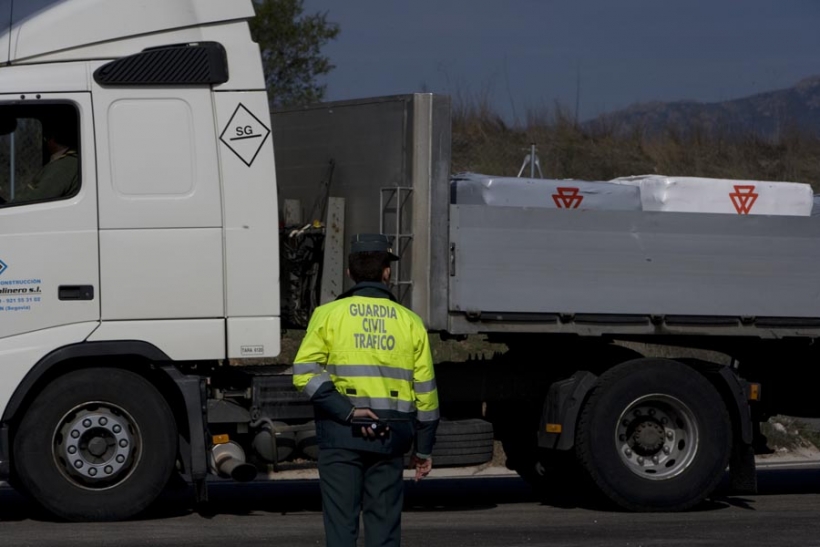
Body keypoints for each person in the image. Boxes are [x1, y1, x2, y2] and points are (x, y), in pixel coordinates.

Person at [293, 233, 440, 547]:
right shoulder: (411, 322)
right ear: (387, 271)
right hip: (391, 436)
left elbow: (305, 373)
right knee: (384, 530)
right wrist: (423, 449)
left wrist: (347, 411)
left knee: (341, 527)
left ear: (350, 272)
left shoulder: (328, 315)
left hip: (341, 433)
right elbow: (426, 392)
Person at [13, 119, 79, 204]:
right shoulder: (67, 162)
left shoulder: (63, 166)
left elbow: (35, 198)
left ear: (51, 139)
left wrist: (6, 206)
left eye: (45, 138)